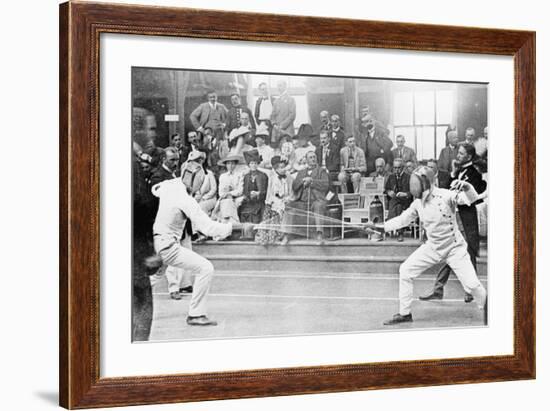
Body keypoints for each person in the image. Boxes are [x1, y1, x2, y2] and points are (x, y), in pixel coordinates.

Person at [365, 166, 487, 325]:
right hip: (433, 247)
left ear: (426, 183)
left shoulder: (446, 195)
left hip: (454, 248)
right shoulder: (417, 204)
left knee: (472, 285)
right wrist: (378, 227)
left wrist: (467, 187)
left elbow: (471, 199)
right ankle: (405, 313)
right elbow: (402, 220)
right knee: (406, 270)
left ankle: (488, 308)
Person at [151, 163, 233, 326]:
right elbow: (208, 228)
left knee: (153, 277)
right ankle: (196, 314)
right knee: (206, 268)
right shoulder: (186, 201)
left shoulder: (169, 185)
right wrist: (232, 227)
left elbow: (155, 189)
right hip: (168, 246)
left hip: (156, 242)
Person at [419, 143, 487, 303]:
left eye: (462, 154)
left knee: (468, 254)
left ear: (469, 157)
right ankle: (439, 289)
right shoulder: (459, 171)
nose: (458, 156)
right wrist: (454, 172)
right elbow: (448, 190)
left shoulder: (475, 173)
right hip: (453, 217)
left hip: (466, 219)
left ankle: (469, 290)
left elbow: (472, 196)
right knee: (451, 253)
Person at [132, 155, 162, 341]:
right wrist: (149, 253)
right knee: (141, 307)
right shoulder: (141, 197)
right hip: (134, 259)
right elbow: (140, 216)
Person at [281, 151, 329, 244]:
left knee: (319, 206)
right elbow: (294, 186)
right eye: (310, 157)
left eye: (314, 157)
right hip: (303, 201)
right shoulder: (301, 172)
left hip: (316, 200)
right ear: (306, 160)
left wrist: (312, 181)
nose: (313, 159)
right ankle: (286, 235)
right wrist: (303, 181)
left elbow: (325, 185)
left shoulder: (321, 171)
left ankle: (319, 235)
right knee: (290, 206)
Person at [255, 156, 294, 245]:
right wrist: (271, 201)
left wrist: (287, 198)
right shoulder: (272, 177)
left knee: (285, 210)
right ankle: (267, 238)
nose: (283, 169)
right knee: (270, 215)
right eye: (281, 168)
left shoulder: (288, 177)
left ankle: (283, 236)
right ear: (275, 168)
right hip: (273, 201)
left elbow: (291, 192)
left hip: (284, 200)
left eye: (284, 167)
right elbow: (270, 193)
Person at [239, 150, 268, 238]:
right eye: (251, 163)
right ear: (249, 165)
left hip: (260, 202)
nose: (253, 165)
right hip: (249, 202)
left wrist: (258, 193)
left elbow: (265, 191)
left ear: (258, 164)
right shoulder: (246, 176)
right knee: (244, 210)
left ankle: (256, 235)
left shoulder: (263, 176)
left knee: (256, 212)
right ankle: (246, 235)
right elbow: (245, 191)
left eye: (255, 163)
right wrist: (249, 194)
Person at [385, 158, 412, 242]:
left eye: (398, 168)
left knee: (394, 201)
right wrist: (389, 192)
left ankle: (388, 224)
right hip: (397, 204)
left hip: (406, 201)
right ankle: (400, 233)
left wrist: (405, 194)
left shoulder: (409, 177)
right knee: (398, 207)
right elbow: (386, 189)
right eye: (395, 168)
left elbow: (413, 192)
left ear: (403, 168)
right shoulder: (391, 177)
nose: (396, 170)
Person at [214, 155, 244, 224]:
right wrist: (226, 195)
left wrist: (230, 193)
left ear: (235, 164)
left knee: (231, 202)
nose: (230, 166)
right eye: (228, 163)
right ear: (226, 165)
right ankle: (226, 222)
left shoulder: (239, 175)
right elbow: (220, 192)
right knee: (226, 202)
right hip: (224, 198)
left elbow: (240, 190)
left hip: (237, 197)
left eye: (232, 163)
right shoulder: (222, 176)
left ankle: (232, 222)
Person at [270, 80, 296, 148]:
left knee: (288, 150)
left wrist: (282, 126)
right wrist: (274, 124)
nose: (278, 87)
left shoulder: (291, 99)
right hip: (276, 130)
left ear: (285, 86)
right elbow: (272, 115)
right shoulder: (276, 101)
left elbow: (292, 115)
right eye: (277, 86)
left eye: (280, 85)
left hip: (287, 130)